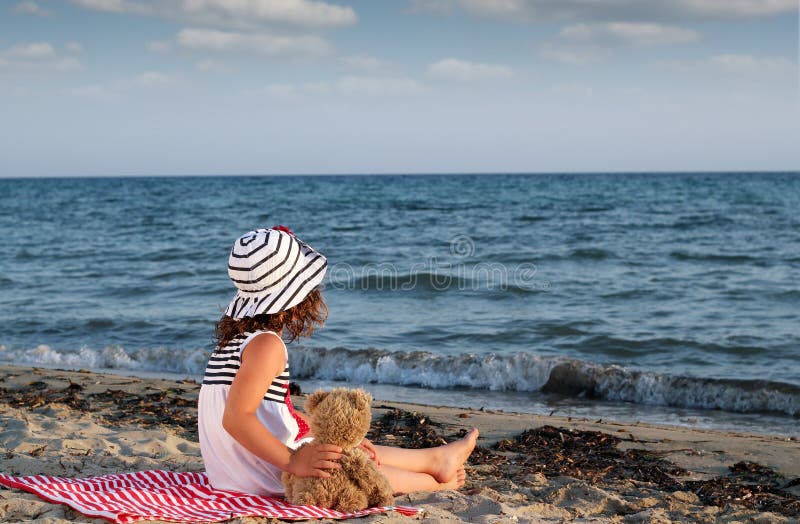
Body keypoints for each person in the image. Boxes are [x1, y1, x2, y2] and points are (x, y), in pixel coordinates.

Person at [198, 226, 479, 498]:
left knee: (346, 448)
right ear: (296, 299)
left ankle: (435, 459)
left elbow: (269, 415)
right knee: (354, 469)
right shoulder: (266, 346)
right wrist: (293, 460)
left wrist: (326, 434)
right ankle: (436, 485)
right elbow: (236, 418)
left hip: (232, 476)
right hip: (266, 475)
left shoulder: (236, 345)